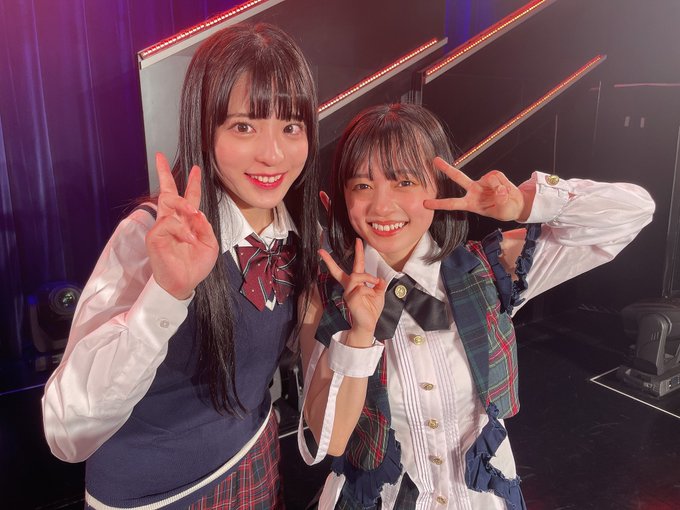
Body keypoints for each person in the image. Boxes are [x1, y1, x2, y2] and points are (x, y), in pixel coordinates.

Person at [296, 103, 655, 509]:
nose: (381, 206)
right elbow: (329, 439)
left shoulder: (488, 269)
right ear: (343, 196)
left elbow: (634, 212)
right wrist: (360, 335)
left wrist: (524, 204)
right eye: (362, 186)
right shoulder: (325, 295)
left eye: (404, 182)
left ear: (437, 186)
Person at [42, 22, 319, 509]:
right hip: (156, 497)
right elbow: (66, 430)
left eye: (291, 127)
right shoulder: (149, 237)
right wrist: (165, 295)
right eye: (244, 126)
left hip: (254, 459)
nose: (273, 153)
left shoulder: (298, 231)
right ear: (204, 128)